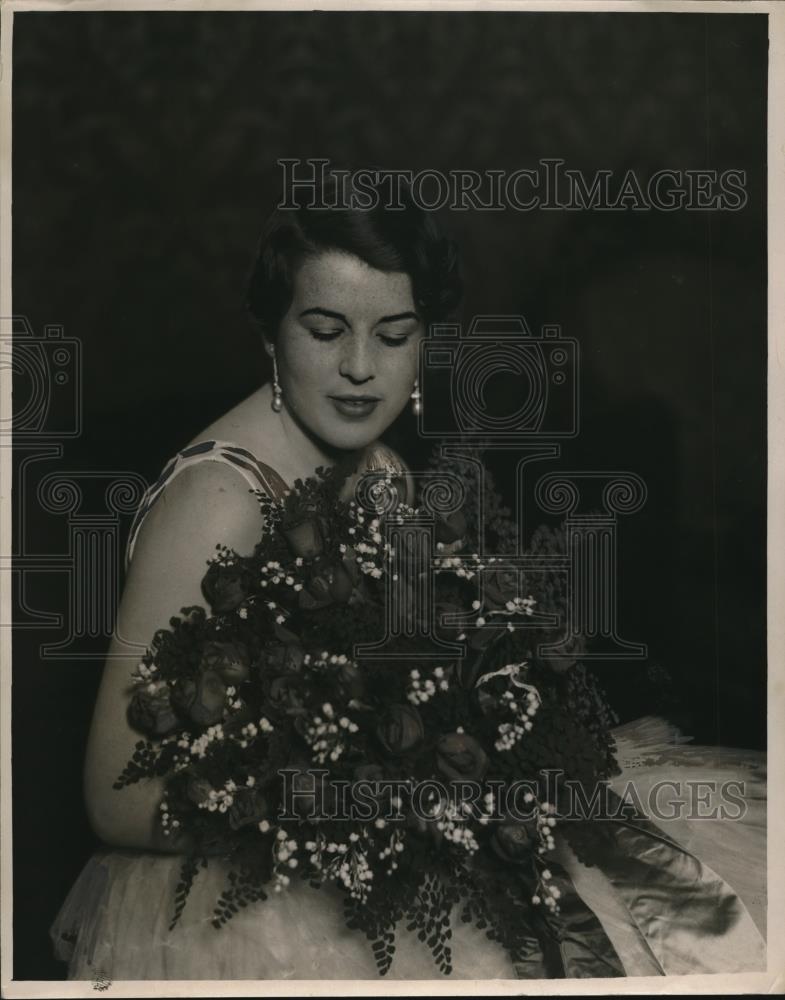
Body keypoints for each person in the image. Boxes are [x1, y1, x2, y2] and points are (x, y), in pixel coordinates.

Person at [50, 177, 766, 981]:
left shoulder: (382, 467)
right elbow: (113, 795)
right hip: (250, 887)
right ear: (271, 334)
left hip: (393, 834)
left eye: (392, 335)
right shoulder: (217, 501)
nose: (360, 368)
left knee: (680, 915)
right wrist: (359, 811)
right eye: (325, 331)